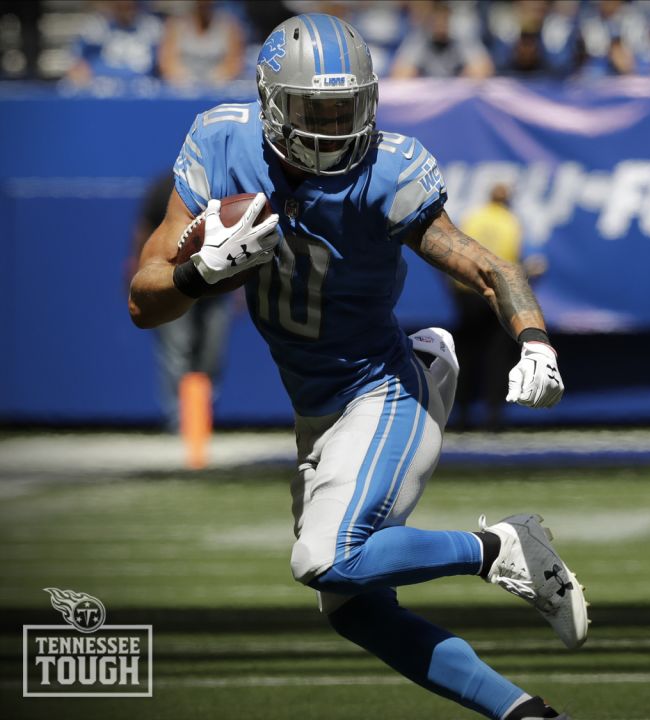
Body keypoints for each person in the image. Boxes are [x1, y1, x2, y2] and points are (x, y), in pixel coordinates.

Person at [127, 14, 585, 720]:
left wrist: (536, 341)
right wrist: (198, 273)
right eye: (317, 111)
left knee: (326, 559)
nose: (335, 127)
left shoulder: (388, 168)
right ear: (271, 102)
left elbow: (489, 268)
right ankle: (524, 713)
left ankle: (497, 546)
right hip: (317, 410)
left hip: (384, 387)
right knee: (352, 609)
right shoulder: (221, 141)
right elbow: (143, 299)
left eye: (347, 109)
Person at [130, 174, 232, 434]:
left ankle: (200, 422)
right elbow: (144, 229)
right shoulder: (165, 187)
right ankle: (179, 423)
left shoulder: (221, 187)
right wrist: (139, 270)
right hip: (173, 282)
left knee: (211, 355)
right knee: (177, 352)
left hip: (215, 287)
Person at [453, 183, 543, 431]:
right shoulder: (512, 222)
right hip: (499, 292)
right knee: (498, 354)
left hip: (468, 292)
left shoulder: (473, 217)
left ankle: (461, 414)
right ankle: (494, 416)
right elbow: (525, 261)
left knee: (467, 355)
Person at [157, 0, 245, 87]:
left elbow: (234, 62)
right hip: (182, 88)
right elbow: (167, 61)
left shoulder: (229, 25)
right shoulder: (175, 25)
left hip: (218, 88)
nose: (204, 3)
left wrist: (216, 78)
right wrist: (184, 79)